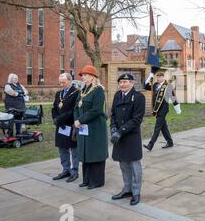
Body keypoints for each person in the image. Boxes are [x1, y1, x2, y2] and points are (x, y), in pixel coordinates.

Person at [110, 73, 145, 206]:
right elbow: (112, 114)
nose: (122, 84)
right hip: (118, 136)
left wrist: (120, 131)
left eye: (125, 81)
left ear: (132, 83)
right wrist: (113, 128)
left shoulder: (138, 97)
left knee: (135, 165)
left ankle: (136, 192)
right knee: (123, 164)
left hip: (131, 136)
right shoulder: (117, 95)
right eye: (121, 82)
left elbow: (137, 119)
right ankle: (127, 189)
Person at [74, 65, 108, 189]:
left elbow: (96, 110)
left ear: (93, 77)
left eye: (86, 75)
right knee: (85, 153)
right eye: (82, 76)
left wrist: (81, 120)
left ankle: (97, 181)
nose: (83, 78)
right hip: (83, 128)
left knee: (95, 153)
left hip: (95, 127)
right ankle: (87, 179)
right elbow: (76, 108)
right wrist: (77, 120)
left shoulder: (98, 90)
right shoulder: (82, 91)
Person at [51, 73, 79, 182]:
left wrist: (60, 119)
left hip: (70, 125)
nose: (61, 84)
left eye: (64, 82)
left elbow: (73, 110)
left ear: (70, 81)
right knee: (62, 148)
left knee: (74, 149)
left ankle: (75, 171)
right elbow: (54, 108)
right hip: (60, 125)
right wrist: (55, 119)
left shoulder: (76, 93)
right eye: (60, 82)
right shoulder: (59, 94)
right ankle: (66, 170)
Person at [143, 70, 180, 151]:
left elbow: (173, 97)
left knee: (157, 126)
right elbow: (145, 86)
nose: (159, 78)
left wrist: (177, 108)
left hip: (163, 109)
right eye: (158, 77)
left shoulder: (168, 86)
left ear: (163, 77)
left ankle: (150, 144)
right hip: (156, 109)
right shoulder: (155, 84)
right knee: (163, 127)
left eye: (161, 77)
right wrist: (150, 76)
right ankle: (170, 142)